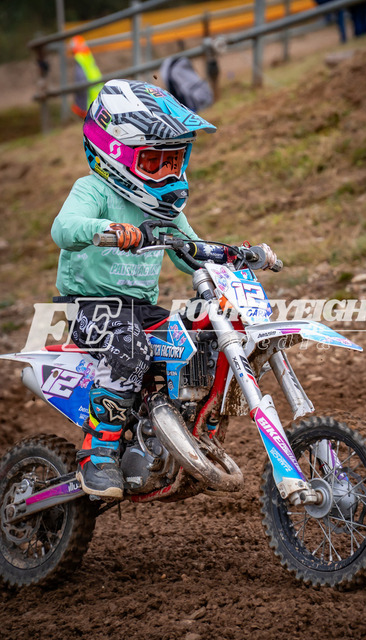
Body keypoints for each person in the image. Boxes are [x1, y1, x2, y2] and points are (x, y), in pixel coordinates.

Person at [51, 79, 277, 499]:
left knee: (201, 333)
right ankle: (97, 452)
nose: (169, 173)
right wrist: (112, 229)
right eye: (156, 162)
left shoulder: (165, 209)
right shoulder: (94, 190)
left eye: (175, 161)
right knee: (130, 346)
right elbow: (63, 228)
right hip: (89, 307)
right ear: (115, 152)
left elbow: (191, 252)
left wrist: (233, 256)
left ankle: (190, 431)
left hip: (141, 308)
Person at [69, 35, 103, 119]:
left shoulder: (80, 61)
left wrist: (81, 107)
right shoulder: (88, 58)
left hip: (90, 106)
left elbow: (81, 84)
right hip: (100, 100)